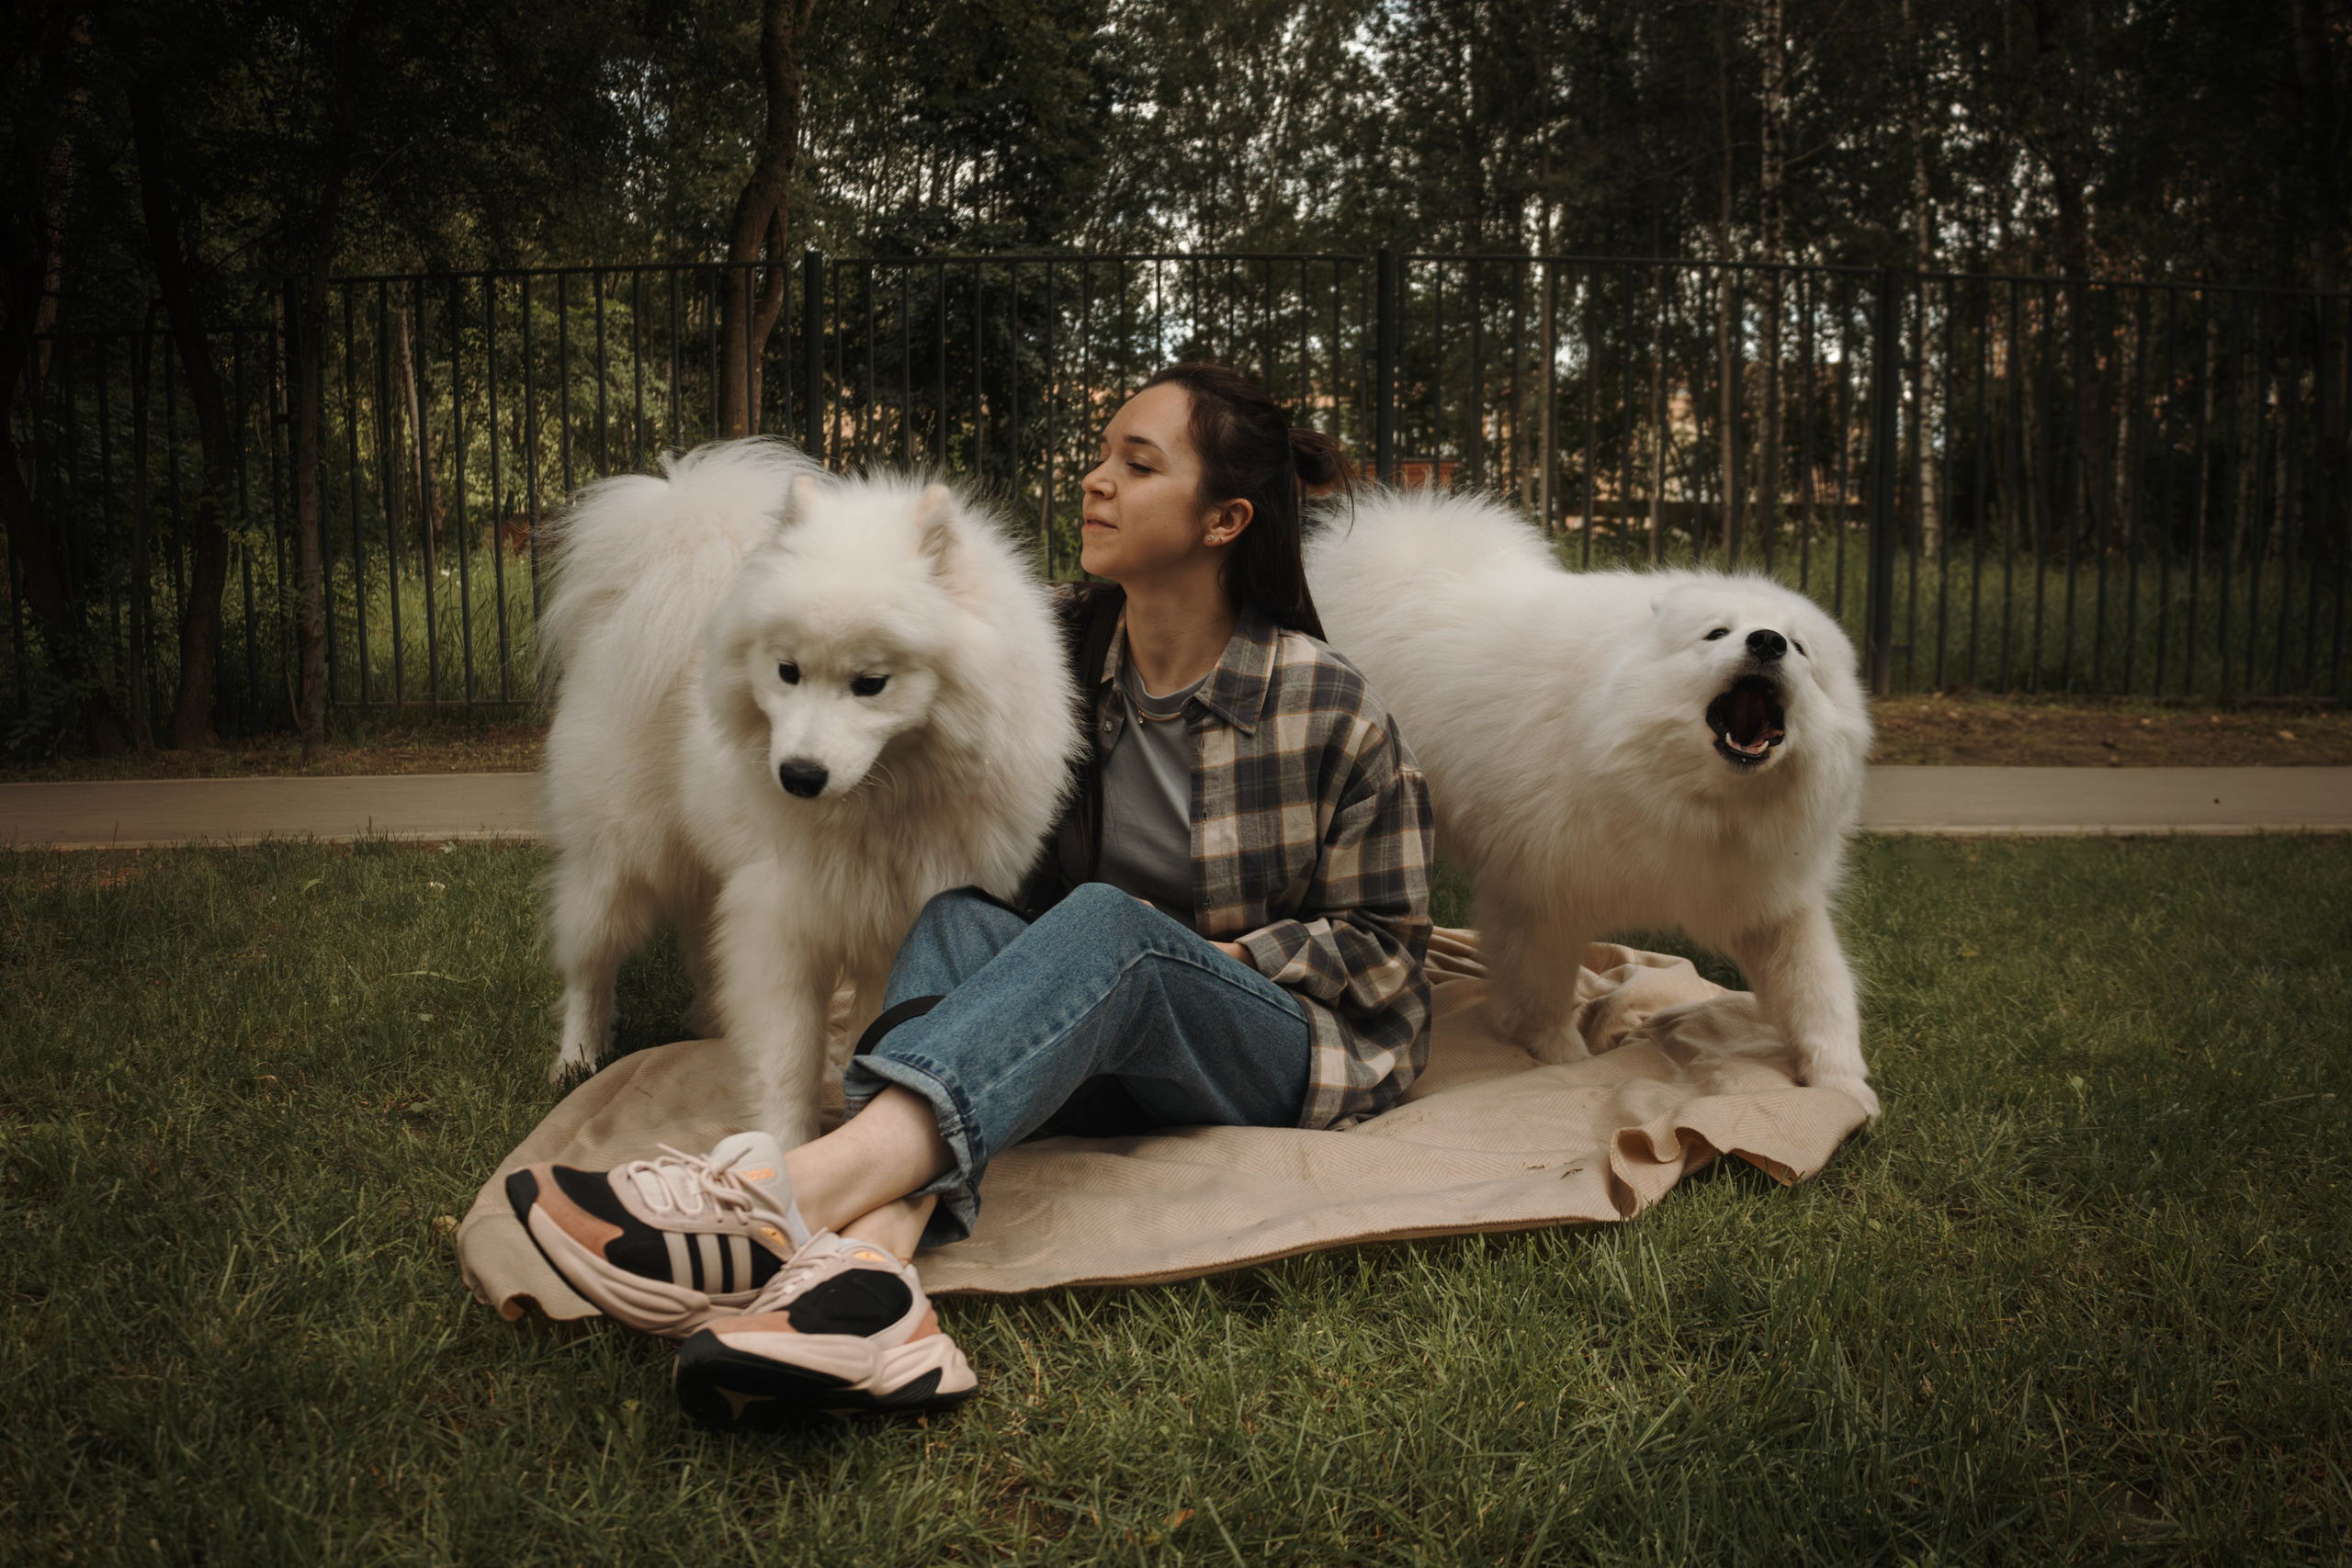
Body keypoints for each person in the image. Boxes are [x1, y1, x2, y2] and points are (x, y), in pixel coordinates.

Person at [507, 363, 1433, 1428]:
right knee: (958, 920)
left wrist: (1210, 965)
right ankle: (865, 1289)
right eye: (1100, 454)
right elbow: (866, 629)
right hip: (1092, 1024)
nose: (1094, 483)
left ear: (1225, 519)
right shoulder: (1055, 652)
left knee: (1110, 933)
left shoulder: (1325, 702)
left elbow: (1388, 955)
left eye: (1136, 465)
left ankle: (772, 1200)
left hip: (1282, 1046)